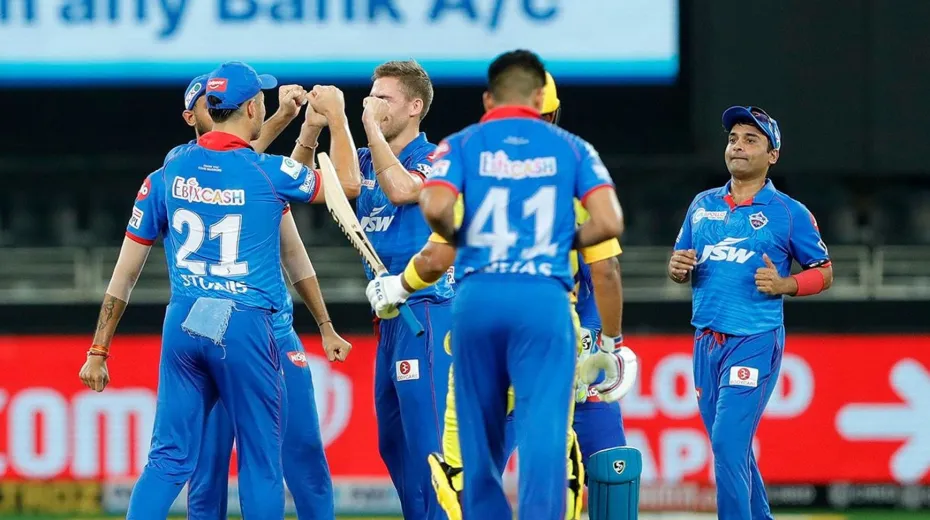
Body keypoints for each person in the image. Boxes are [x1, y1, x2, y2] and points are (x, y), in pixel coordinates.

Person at [77, 60, 358, 520]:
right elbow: (347, 186)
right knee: (262, 461)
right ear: (251, 108)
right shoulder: (267, 172)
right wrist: (338, 117)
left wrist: (98, 349)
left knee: (167, 461)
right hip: (247, 323)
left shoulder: (167, 173)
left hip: (186, 319)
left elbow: (123, 275)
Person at [367, 70, 639, 520]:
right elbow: (605, 269)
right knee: (561, 466)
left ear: (490, 105)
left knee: (466, 471)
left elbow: (436, 256)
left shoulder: (467, 158)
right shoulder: (575, 162)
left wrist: (398, 285)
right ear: (550, 113)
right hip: (547, 327)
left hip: (478, 329)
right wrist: (611, 344)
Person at [180, 73, 353, 519]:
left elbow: (295, 257)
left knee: (303, 455)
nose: (218, 108)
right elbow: (339, 186)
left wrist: (325, 325)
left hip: (271, 333)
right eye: (208, 102)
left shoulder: (252, 176)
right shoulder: (183, 170)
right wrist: (305, 120)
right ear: (191, 117)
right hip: (220, 334)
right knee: (209, 470)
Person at [668, 106, 833, 520]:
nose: (738, 146)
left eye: (751, 139)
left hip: (754, 340)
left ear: (772, 155)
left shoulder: (789, 213)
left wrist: (785, 284)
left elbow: (824, 272)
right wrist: (676, 268)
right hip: (706, 342)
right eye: (733, 139)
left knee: (727, 444)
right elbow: (680, 261)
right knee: (731, 449)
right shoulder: (702, 204)